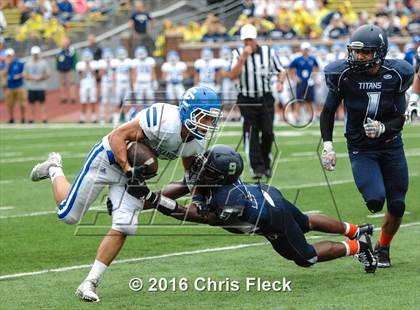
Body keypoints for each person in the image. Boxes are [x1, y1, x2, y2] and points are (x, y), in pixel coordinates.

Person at [29, 86, 222, 302]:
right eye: (203, 118)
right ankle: (54, 168)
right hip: (110, 159)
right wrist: (128, 169)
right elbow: (117, 136)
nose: (207, 125)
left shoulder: (196, 142)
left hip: (134, 174)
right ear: (187, 111)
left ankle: (90, 282)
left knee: (125, 225)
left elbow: (190, 175)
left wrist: (199, 198)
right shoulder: (164, 119)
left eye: (210, 120)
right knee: (68, 215)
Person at [151, 145, 377, 273]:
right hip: (267, 193)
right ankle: (356, 229)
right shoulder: (216, 180)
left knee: (305, 257)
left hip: (271, 217)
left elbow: (195, 216)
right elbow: (184, 185)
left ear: (219, 176)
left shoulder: (229, 199)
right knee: (305, 222)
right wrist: (149, 197)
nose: (200, 170)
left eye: (207, 169)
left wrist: (158, 202)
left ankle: (359, 245)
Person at [320, 25, 414, 268]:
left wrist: (384, 128)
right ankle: (361, 235)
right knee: (374, 201)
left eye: (365, 52)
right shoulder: (342, 74)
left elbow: (400, 117)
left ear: (380, 53)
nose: (358, 57)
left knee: (397, 204)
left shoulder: (397, 73)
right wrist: (328, 146)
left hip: (391, 145)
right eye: (355, 52)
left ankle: (383, 247)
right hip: (362, 148)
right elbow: (328, 111)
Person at [230, 24, 284, 179]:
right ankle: (257, 167)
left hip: (265, 98)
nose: (248, 43)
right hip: (246, 98)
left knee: (268, 132)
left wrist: (280, 82)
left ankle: (266, 162)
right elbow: (232, 75)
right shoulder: (237, 53)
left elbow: (281, 70)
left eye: (250, 40)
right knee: (251, 133)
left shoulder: (268, 52)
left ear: (255, 39)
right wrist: (242, 58)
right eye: (245, 40)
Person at [288, 42, 320, 124]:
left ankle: (310, 117)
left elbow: (316, 68)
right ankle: (296, 117)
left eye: (307, 49)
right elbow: (290, 69)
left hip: (309, 82)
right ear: (302, 50)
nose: (306, 51)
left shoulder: (312, 59)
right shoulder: (297, 59)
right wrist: (294, 77)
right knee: (299, 100)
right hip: (301, 82)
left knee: (310, 100)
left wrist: (314, 76)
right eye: (304, 49)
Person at [23, 45, 50, 123]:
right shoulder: (28, 63)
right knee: (31, 103)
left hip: (40, 86)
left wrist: (41, 77)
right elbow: (25, 74)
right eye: (34, 54)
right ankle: (31, 118)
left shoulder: (43, 62)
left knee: (42, 102)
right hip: (31, 86)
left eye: (36, 54)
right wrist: (32, 77)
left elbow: (47, 74)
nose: (35, 55)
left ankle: (44, 117)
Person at [110, 46, 132, 126]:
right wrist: (113, 84)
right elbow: (113, 74)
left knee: (127, 102)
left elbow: (130, 74)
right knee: (117, 102)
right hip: (118, 83)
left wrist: (132, 84)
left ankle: (127, 120)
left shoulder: (128, 61)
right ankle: (115, 120)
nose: (121, 55)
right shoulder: (115, 62)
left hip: (126, 83)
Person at [76, 48, 99, 123]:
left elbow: (96, 76)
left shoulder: (94, 63)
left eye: (88, 56)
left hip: (92, 84)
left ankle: (94, 118)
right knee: (83, 101)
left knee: (93, 101)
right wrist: (86, 68)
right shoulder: (80, 64)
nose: (87, 58)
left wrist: (90, 68)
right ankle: (82, 118)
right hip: (84, 85)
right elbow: (81, 76)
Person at [3, 48, 26, 123]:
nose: (9, 57)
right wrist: (7, 65)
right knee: (10, 104)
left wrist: (18, 76)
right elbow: (4, 75)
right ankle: (11, 118)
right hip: (10, 87)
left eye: (10, 56)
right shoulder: (5, 64)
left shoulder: (19, 63)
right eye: (8, 56)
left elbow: (24, 73)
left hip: (19, 86)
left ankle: (23, 118)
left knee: (22, 103)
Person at [131, 45, 157, 109]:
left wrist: (154, 81)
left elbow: (153, 72)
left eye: (142, 53)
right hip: (139, 83)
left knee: (151, 100)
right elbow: (133, 73)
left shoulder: (150, 60)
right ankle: (139, 116)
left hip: (148, 83)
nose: (141, 54)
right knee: (139, 102)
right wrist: (134, 83)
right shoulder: (135, 61)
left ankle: (151, 115)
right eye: (139, 53)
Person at [56, 37, 77, 104]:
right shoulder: (59, 51)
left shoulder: (71, 50)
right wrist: (58, 68)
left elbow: (75, 59)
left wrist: (73, 67)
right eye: (63, 42)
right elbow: (57, 60)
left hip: (69, 70)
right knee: (62, 84)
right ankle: (64, 97)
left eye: (66, 42)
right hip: (61, 70)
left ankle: (73, 97)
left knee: (71, 83)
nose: (65, 44)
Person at [97, 48, 115, 124]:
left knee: (112, 101)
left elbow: (115, 74)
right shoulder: (101, 63)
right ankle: (102, 117)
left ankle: (111, 117)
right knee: (103, 100)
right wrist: (105, 68)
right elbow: (99, 75)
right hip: (104, 83)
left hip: (112, 83)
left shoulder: (114, 62)